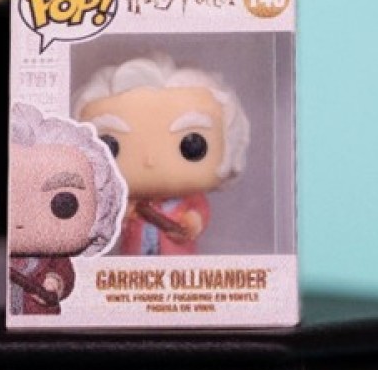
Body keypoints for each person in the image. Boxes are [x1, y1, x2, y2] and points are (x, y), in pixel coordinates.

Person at [72, 53, 249, 256]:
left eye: (192, 146)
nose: (150, 160)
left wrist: (192, 222)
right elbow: (110, 223)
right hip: (131, 262)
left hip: (177, 262)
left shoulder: (190, 200)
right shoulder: (127, 201)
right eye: (111, 146)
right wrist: (124, 215)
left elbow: (199, 213)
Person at [8, 102, 125, 315]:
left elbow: (63, 274)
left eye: (63, 205)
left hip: (40, 321)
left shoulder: (52, 258)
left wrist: (55, 282)